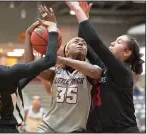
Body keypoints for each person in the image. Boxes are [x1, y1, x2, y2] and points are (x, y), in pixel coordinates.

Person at [0, 7, 59, 133]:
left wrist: (29, 36)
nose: (0, 48)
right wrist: (53, 28)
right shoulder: (6, 73)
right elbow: (50, 60)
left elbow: (21, 80)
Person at [66, 1, 144, 132]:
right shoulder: (103, 66)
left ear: (127, 52)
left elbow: (95, 41)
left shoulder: (123, 71)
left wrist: (77, 11)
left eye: (119, 42)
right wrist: (84, 17)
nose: (113, 42)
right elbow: (85, 44)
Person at [24, 5, 102, 133]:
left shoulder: (89, 72)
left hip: (75, 130)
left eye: (83, 43)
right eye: (76, 41)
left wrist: (61, 60)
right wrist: (28, 35)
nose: (81, 43)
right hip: (48, 127)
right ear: (66, 50)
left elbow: (95, 72)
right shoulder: (56, 73)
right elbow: (29, 65)